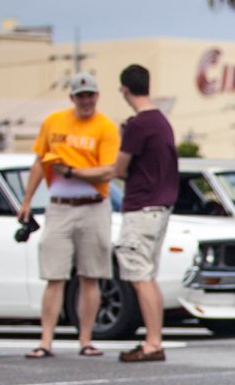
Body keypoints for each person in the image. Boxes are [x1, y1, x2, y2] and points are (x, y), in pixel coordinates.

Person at [70, 64, 176, 363]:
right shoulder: (162, 121)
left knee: (139, 276)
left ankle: (152, 343)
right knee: (148, 275)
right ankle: (154, 339)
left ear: (124, 90)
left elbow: (117, 169)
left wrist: (74, 172)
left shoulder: (139, 124)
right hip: (160, 207)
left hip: (141, 208)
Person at [17, 70, 120, 358]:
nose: (86, 100)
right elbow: (39, 161)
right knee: (54, 274)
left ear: (97, 96)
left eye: (90, 95)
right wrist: (26, 200)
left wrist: (72, 171)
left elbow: (108, 169)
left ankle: (86, 340)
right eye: (80, 95)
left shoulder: (106, 127)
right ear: (72, 97)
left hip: (94, 205)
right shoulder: (54, 122)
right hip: (60, 204)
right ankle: (45, 341)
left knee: (92, 274)